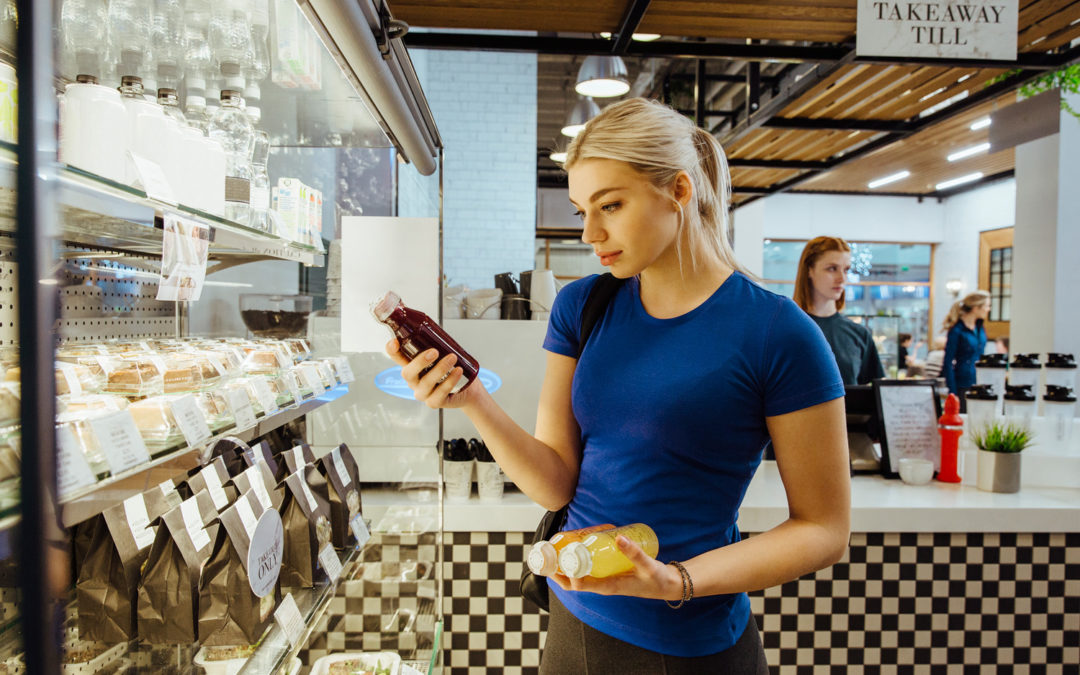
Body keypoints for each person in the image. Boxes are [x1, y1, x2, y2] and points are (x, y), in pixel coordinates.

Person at [385, 98, 850, 673]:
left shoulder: (779, 334)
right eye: (583, 209)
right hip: (575, 619)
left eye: (610, 205)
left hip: (691, 640)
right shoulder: (584, 305)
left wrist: (675, 580)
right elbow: (557, 484)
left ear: (679, 191)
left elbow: (824, 528)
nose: (590, 232)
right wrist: (473, 400)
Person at [792, 236, 885, 385]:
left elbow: (875, 395)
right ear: (809, 270)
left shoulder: (859, 334)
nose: (842, 278)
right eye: (832, 269)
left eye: (846, 270)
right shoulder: (787, 329)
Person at [941, 290, 991, 397]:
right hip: (963, 383)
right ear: (976, 308)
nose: (988, 309)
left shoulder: (980, 327)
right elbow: (947, 362)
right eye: (987, 306)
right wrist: (952, 392)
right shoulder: (956, 330)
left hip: (981, 382)